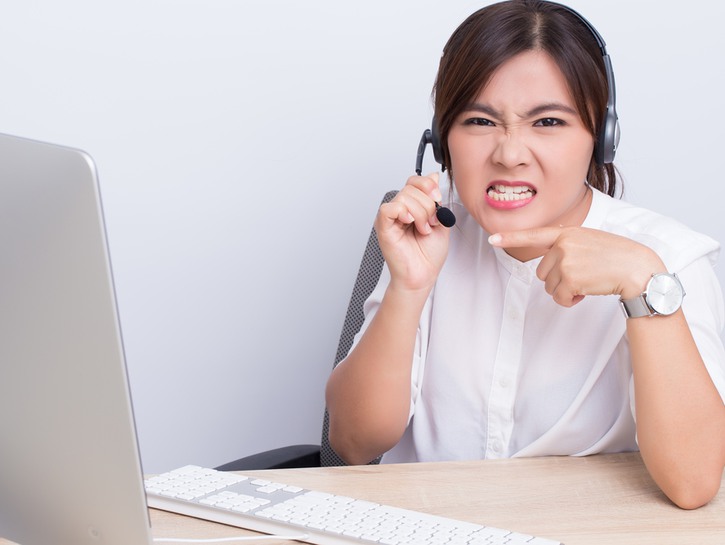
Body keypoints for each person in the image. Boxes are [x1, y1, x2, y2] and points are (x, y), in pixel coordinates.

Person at [324, 0, 725, 510]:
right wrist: (409, 287)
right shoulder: (426, 228)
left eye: (548, 122)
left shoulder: (668, 259)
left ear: (601, 139)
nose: (509, 154)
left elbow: (692, 485)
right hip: (424, 525)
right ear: (443, 141)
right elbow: (353, 445)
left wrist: (643, 284)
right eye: (479, 121)